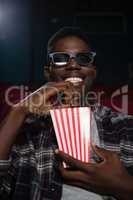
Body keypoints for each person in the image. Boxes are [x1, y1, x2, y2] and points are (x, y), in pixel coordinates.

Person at [0, 27, 133, 200]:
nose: (73, 65)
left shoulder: (124, 126)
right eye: (61, 59)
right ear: (48, 72)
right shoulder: (27, 130)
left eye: (83, 59)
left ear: (94, 71)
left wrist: (122, 185)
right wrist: (18, 110)